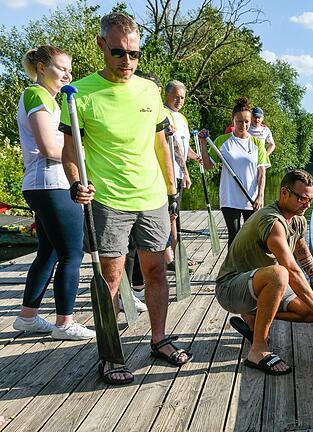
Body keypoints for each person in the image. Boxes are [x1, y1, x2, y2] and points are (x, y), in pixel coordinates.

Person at [61, 12, 193, 385]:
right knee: (112, 278)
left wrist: (171, 191)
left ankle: (159, 338)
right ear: (102, 46)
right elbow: (71, 152)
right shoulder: (81, 94)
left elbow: (160, 144)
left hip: (151, 196)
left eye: (134, 54)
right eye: (119, 52)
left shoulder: (150, 91)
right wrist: (75, 183)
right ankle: (110, 355)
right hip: (109, 199)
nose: (127, 61)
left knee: (155, 271)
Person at [214, 169, 313, 375]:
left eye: (310, 200)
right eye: (301, 198)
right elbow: (291, 269)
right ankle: (258, 350)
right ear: (284, 192)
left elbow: (302, 252)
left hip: (257, 286)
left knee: (308, 312)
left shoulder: (298, 219)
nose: (307, 204)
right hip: (230, 289)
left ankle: (254, 315)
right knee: (280, 274)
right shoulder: (271, 220)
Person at [12, 45, 95, 341]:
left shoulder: (49, 98)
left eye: (69, 70)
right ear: (42, 67)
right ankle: (64, 322)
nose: (67, 74)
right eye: (61, 68)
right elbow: (49, 148)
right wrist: (82, 156)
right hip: (51, 183)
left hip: (44, 184)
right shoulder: (36, 94)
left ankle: (28, 317)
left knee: (48, 251)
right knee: (72, 253)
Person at [199, 97, 270, 247]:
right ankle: (232, 270)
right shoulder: (222, 141)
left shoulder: (257, 143)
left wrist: (260, 196)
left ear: (250, 122)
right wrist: (203, 144)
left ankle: (250, 269)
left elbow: (262, 172)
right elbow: (207, 165)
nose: (243, 125)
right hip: (229, 198)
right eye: (239, 121)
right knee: (234, 236)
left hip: (251, 198)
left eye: (246, 122)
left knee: (252, 238)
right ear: (233, 121)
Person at [164, 79, 200, 269]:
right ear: (167, 95)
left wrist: (195, 157)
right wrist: (185, 171)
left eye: (182, 97)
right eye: (176, 96)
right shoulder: (164, 114)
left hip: (179, 172)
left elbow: (184, 146)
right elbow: (175, 147)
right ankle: (173, 257)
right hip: (170, 173)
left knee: (174, 215)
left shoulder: (181, 118)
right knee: (171, 215)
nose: (179, 100)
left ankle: (173, 256)